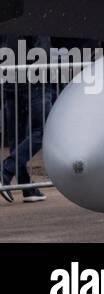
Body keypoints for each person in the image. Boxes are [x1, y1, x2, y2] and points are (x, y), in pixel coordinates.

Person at [1, 35, 58, 203]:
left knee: (17, 137)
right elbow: (42, 47)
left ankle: (26, 186)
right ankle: (6, 171)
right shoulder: (39, 18)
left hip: (13, 79)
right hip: (34, 80)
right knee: (43, 131)